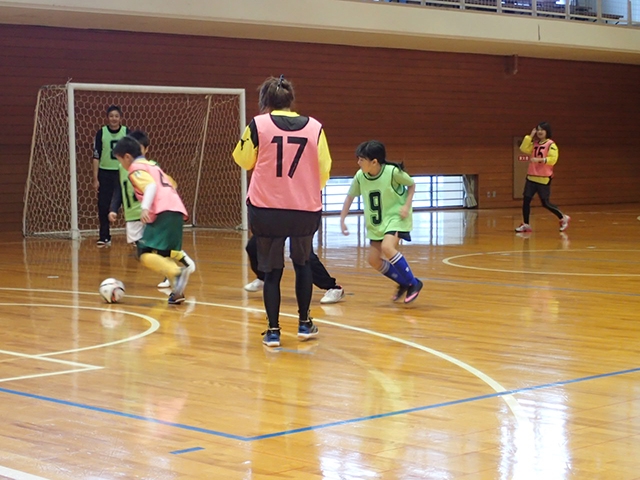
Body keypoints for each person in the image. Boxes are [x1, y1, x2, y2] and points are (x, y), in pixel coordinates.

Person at [232, 75, 332, 348]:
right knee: (303, 264)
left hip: (267, 209)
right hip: (303, 208)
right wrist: (305, 187)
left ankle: (274, 331)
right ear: (291, 100)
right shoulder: (315, 127)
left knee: (271, 270)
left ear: (266, 100)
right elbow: (324, 169)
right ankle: (304, 323)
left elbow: (243, 159)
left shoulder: (258, 124)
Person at [108, 130, 196, 287]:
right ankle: (177, 291)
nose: (121, 165)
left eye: (120, 160)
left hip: (163, 211)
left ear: (127, 157)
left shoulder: (135, 168)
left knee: (144, 253)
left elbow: (150, 186)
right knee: (161, 252)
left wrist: (145, 208)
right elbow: (172, 184)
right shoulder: (153, 166)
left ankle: (177, 273)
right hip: (176, 209)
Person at [339, 140, 423, 304]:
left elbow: (412, 185)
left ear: (374, 161)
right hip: (376, 223)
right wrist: (342, 218)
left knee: (387, 247)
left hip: (396, 217)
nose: (358, 162)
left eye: (361, 159)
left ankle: (413, 282)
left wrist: (406, 205)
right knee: (373, 260)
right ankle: (403, 282)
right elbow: (350, 196)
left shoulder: (392, 172)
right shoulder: (360, 176)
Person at [243, 235, 345, 304]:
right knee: (253, 246)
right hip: (277, 215)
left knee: (304, 255)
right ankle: (263, 278)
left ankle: (333, 288)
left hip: (298, 214)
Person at [515, 122, 570, 233]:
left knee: (545, 203)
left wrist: (540, 160)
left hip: (543, 178)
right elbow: (523, 148)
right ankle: (526, 224)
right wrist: (530, 136)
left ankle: (563, 217)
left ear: (547, 132)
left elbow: (553, 159)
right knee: (526, 201)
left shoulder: (551, 145)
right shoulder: (535, 143)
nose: (539, 132)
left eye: (542, 130)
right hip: (531, 177)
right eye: (538, 130)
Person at [93, 105, 129, 247]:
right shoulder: (101, 133)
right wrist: (95, 178)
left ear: (120, 118)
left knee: (128, 204)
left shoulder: (127, 132)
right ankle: (104, 236)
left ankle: (134, 236)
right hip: (105, 172)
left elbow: (132, 154)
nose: (114, 118)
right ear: (107, 118)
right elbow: (96, 156)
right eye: (111, 116)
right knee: (103, 205)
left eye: (116, 116)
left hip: (122, 173)